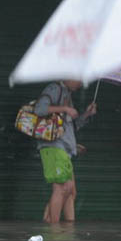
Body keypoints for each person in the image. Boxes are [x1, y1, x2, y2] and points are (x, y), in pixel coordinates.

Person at [34, 80, 96, 224]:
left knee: (71, 192)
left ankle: (67, 228)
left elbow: (71, 125)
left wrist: (87, 114)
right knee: (62, 187)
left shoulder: (67, 94)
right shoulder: (54, 88)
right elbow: (39, 109)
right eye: (78, 78)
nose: (81, 82)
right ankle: (53, 227)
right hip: (54, 145)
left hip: (65, 147)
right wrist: (65, 109)